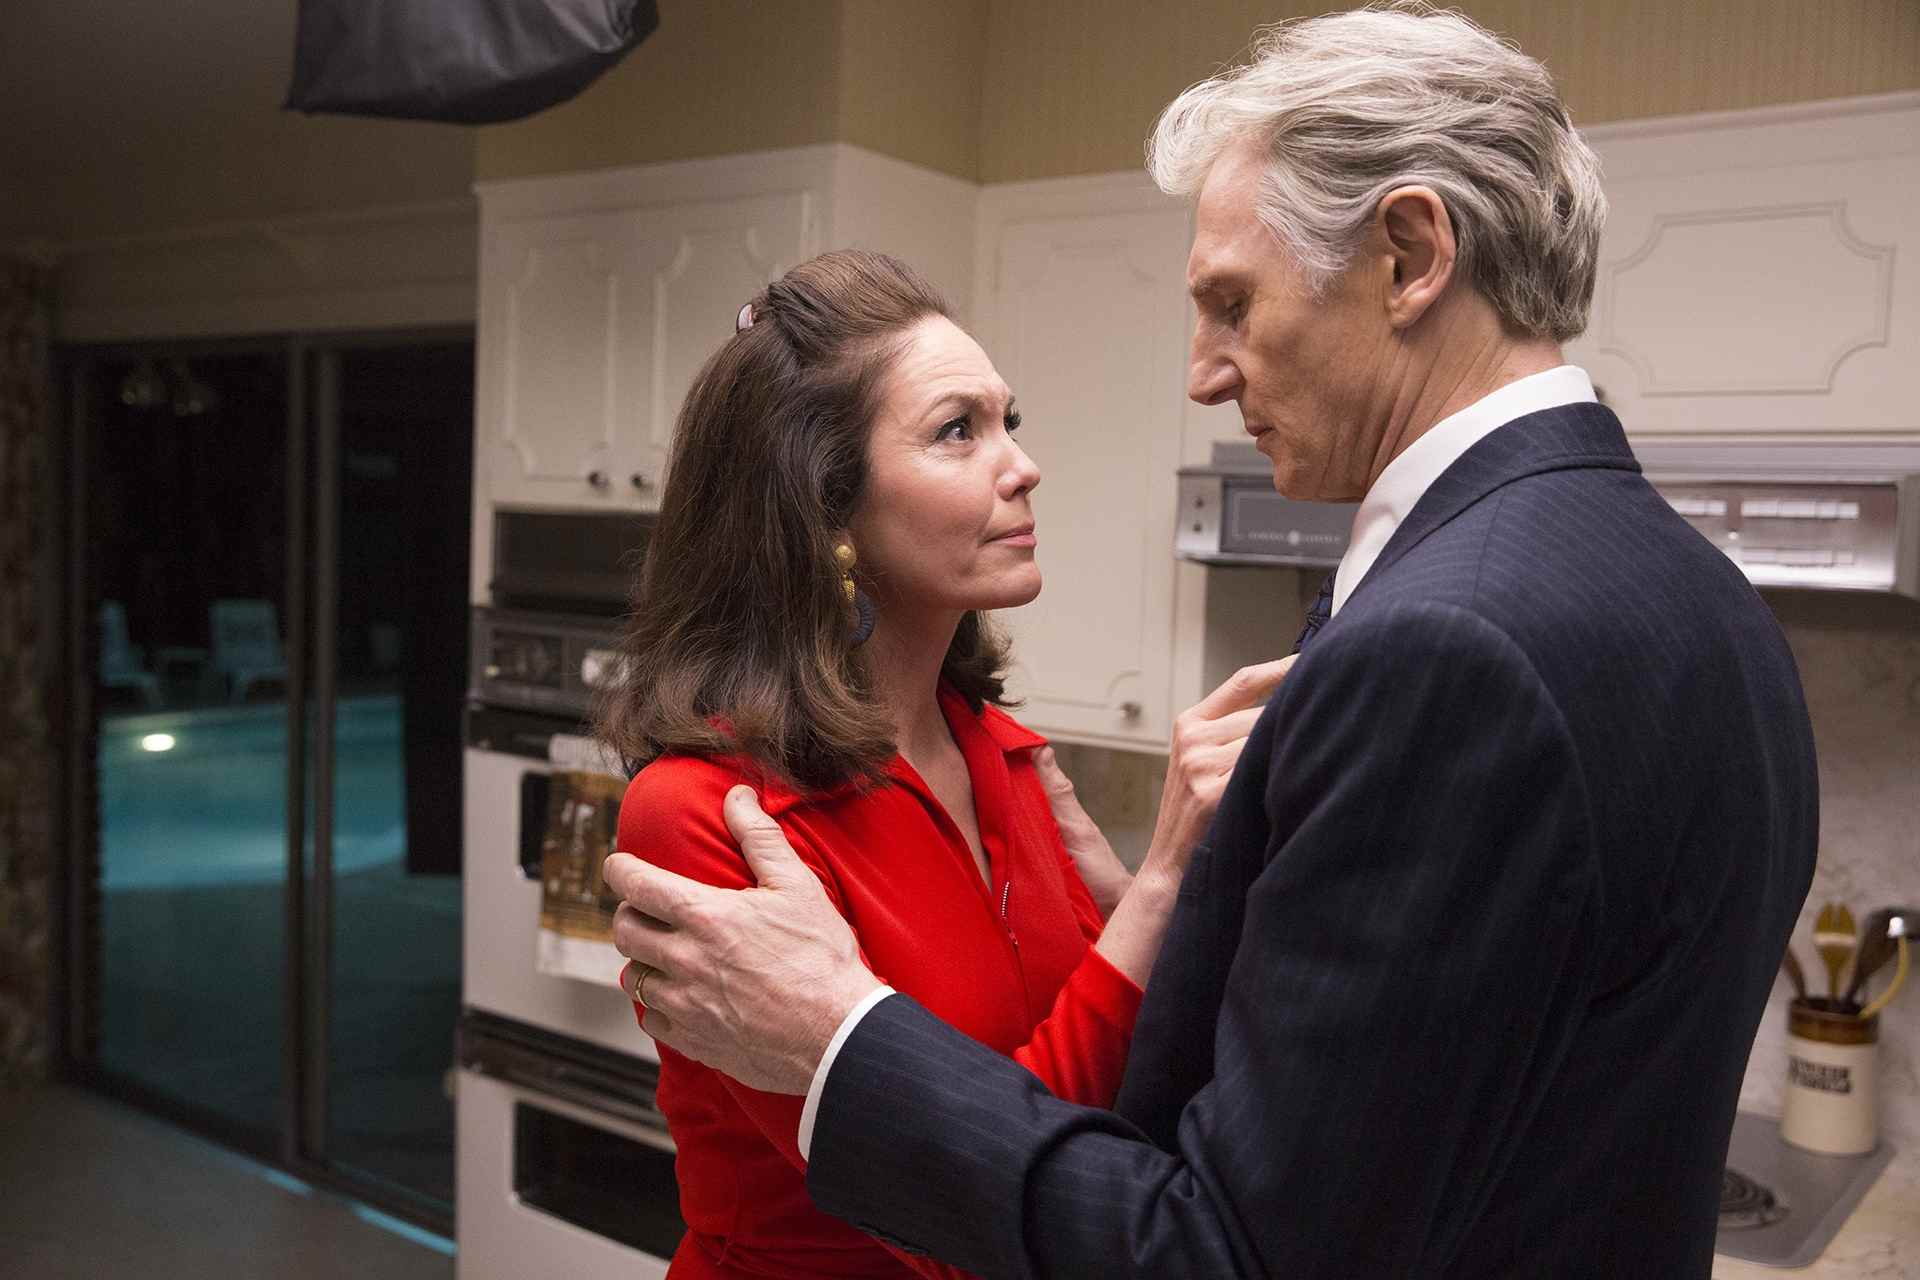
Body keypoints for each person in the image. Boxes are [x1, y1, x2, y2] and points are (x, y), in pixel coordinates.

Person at [604, 7, 1818, 1277]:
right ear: (823, 505)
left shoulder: (1445, 650)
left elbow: (1227, 1241)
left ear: (1410, 256)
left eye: (1233, 302)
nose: (1201, 373)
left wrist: (838, 1036)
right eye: (959, 430)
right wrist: (1190, 912)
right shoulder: (1709, 600)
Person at [593, 248, 1291, 1278]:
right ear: (826, 507)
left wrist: (1157, 914)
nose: (1023, 465)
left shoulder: (1004, 755)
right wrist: (1160, 887)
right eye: (958, 430)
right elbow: (961, 1223)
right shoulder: (708, 812)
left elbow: (1117, 1113)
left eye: (1010, 420)